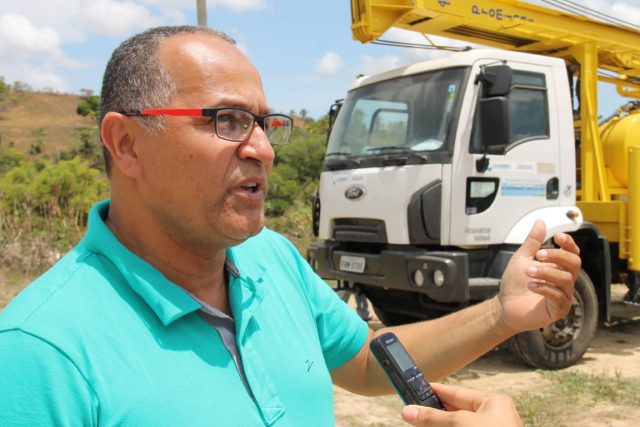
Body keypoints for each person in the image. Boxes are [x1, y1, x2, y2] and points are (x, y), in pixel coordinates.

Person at [0, 26, 580, 426]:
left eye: (264, 123)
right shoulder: (39, 353)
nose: (264, 150)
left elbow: (364, 362)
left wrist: (502, 314)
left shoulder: (270, 257)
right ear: (127, 144)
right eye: (228, 120)